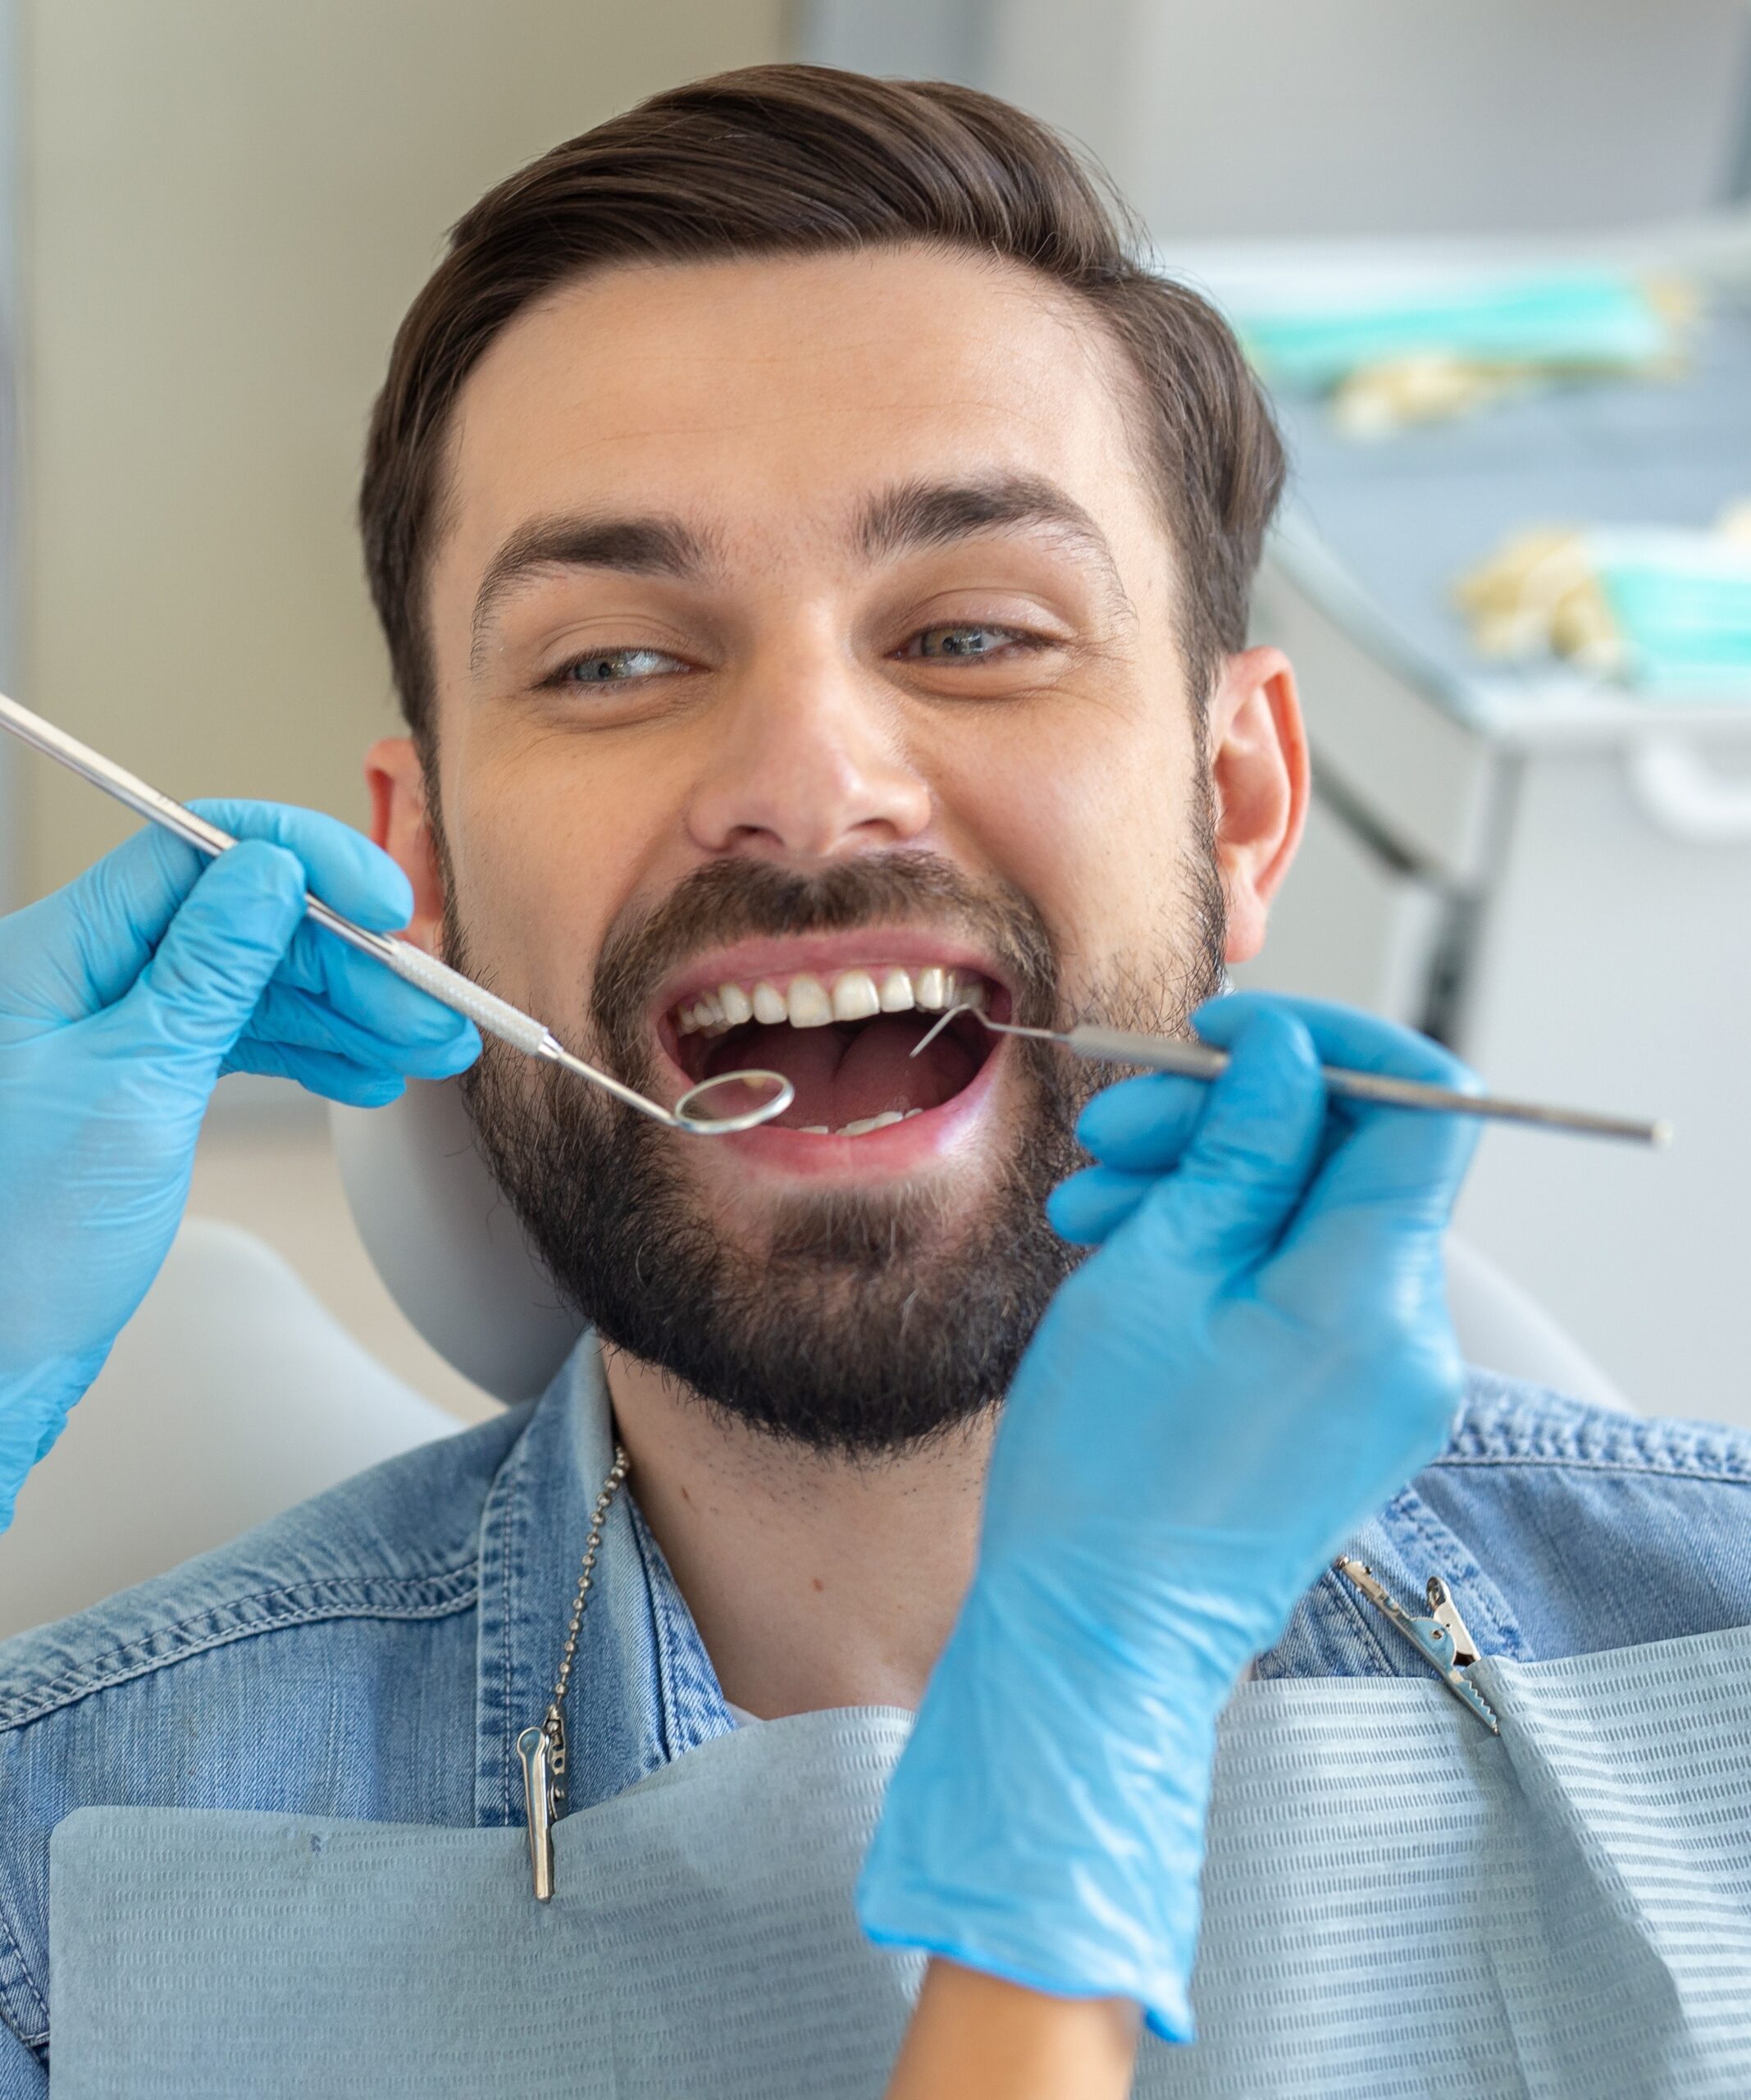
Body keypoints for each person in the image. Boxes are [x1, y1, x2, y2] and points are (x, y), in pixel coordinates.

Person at [2, 66, 1748, 2094]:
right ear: (438, 886)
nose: (807, 781)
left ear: (1243, 799)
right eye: (615, 662)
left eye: (978, 630)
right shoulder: (83, 1882)